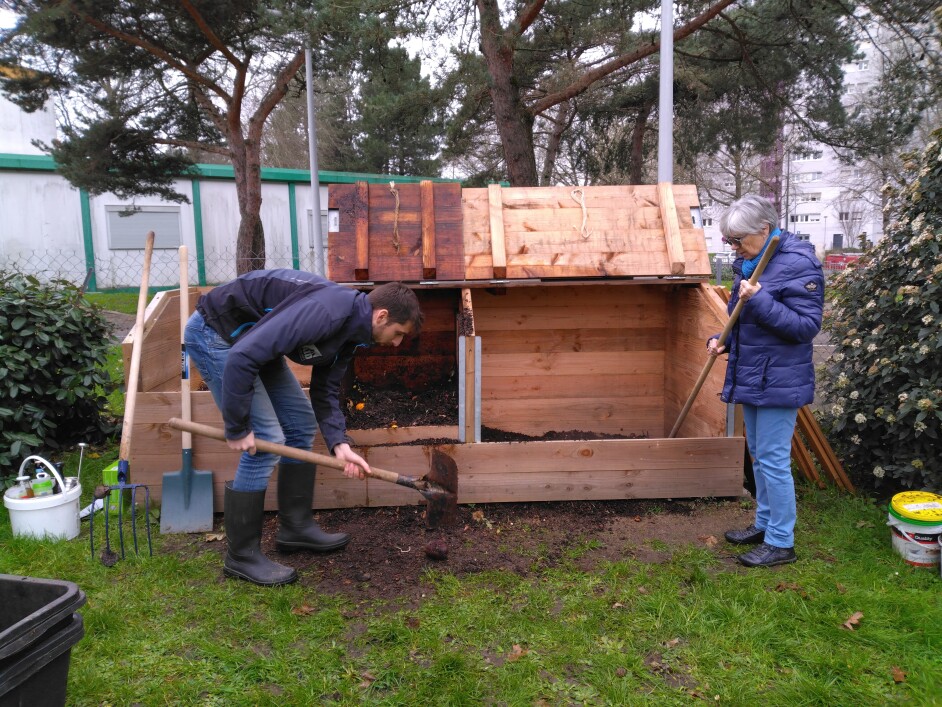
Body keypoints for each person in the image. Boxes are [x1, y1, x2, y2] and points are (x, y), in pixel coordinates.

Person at [184, 270, 423, 586]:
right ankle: (240, 556)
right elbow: (243, 356)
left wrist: (341, 445)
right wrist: (238, 427)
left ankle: (295, 528)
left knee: (300, 423)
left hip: (254, 341)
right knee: (267, 436)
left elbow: (326, 390)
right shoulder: (326, 313)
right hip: (217, 333)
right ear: (381, 316)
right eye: (398, 333)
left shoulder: (354, 331)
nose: (396, 343)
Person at [707, 194, 824, 568]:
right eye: (730, 242)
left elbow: (806, 327)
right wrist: (721, 341)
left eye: (738, 240)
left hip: (779, 377)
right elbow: (741, 318)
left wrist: (758, 301)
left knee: (773, 460)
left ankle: (781, 542)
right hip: (753, 373)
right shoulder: (751, 262)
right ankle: (763, 523)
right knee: (758, 456)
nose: (735, 248)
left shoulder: (798, 263)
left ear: (764, 229)